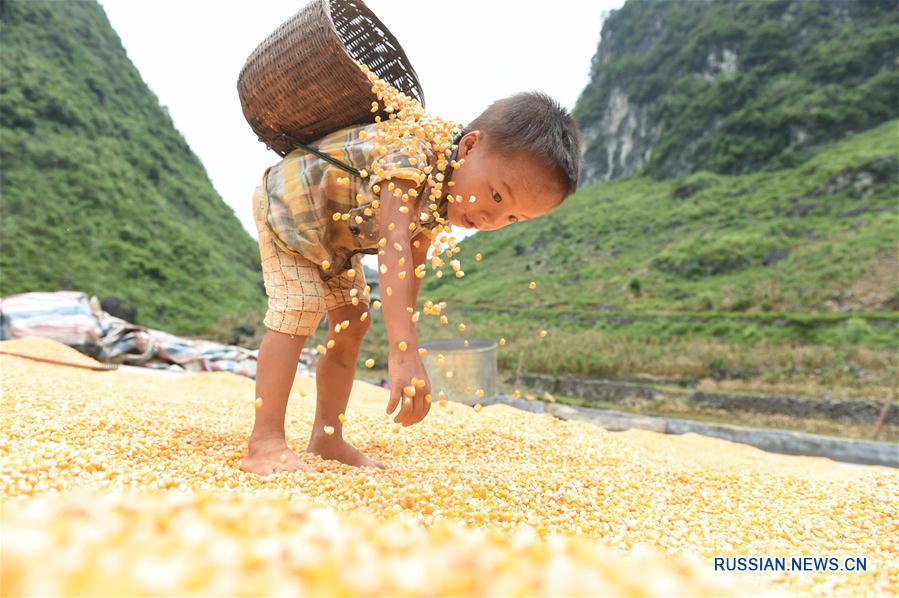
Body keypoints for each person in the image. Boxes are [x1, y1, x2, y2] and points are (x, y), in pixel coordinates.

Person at [240, 91, 582, 475]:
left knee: (353, 322)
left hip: (334, 239)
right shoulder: (412, 150)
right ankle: (265, 441)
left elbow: (413, 264)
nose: (491, 218)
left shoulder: (442, 195)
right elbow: (394, 243)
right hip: (291, 206)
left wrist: (407, 342)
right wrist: (402, 352)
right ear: (469, 146)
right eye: (497, 195)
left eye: (512, 218)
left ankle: (327, 437)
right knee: (300, 307)